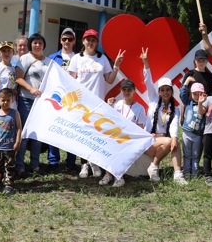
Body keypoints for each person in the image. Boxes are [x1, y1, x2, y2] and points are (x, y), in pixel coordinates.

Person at [68, 28, 123, 178]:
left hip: (97, 103)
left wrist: (116, 64)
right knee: (83, 135)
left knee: (96, 134)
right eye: (88, 40)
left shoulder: (102, 58)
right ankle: (84, 165)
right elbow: (70, 81)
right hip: (81, 104)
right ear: (83, 41)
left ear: (97, 43)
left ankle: (95, 162)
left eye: (93, 40)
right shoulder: (76, 59)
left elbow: (110, 79)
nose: (90, 42)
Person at [15, 32, 50, 177]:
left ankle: (35, 165)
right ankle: (20, 166)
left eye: (40, 43)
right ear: (31, 45)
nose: (37, 45)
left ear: (43, 45)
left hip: (41, 104)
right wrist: (31, 89)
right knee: (24, 135)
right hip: (26, 100)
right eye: (34, 42)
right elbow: (18, 79)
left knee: (37, 136)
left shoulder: (48, 61)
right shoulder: (25, 58)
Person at [46, 28, 78, 172]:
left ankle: (71, 161)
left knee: (73, 130)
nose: (67, 41)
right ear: (60, 40)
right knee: (55, 128)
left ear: (74, 42)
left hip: (73, 100)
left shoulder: (78, 58)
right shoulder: (52, 58)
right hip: (56, 98)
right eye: (64, 39)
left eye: (70, 39)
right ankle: (53, 161)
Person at [145, 77, 186, 185]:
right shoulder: (153, 100)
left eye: (168, 89)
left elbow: (174, 125)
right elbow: (148, 82)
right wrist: (146, 64)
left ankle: (178, 174)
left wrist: (175, 138)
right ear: (158, 92)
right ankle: (154, 166)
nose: (165, 92)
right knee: (170, 141)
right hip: (150, 140)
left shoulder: (175, 109)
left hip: (163, 140)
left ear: (172, 91)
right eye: (162, 90)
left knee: (174, 142)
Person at [105, 79, 146, 187]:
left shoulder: (140, 108)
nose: (127, 92)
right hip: (117, 135)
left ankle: (119, 177)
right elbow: (109, 122)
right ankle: (108, 175)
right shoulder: (116, 105)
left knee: (119, 146)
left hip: (130, 138)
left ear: (134, 91)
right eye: (124, 90)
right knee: (110, 142)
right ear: (121, 91)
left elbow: (140, 128)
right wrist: (108, 106)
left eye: (129, 90)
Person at [0, 88, 22, 195]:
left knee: (10, 166)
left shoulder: (14, 113)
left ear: (12, 101)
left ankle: (9, 185)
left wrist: (17, 142)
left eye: (8, 100)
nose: (5, 103)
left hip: (10, 146)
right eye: (3, 100)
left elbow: (19, 128)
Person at [180, 82, 207, 178]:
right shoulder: (188, 103)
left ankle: (194, 172)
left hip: (198, 135)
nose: (197, 96)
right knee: (187, 154)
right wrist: (187, 81)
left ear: (203, 94)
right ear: (191, 94)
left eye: (200, 94)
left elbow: (202, 112)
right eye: (195, 94)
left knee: (195, 155)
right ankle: (187, 172)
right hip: (187, 132)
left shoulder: (204, 106)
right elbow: (182, 93)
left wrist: (200, 102)